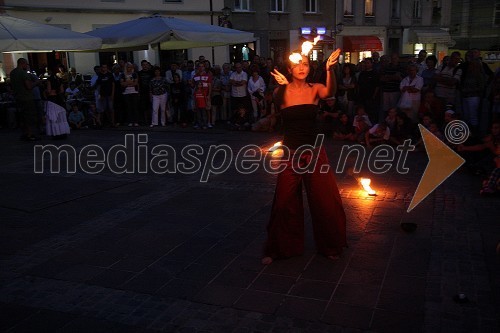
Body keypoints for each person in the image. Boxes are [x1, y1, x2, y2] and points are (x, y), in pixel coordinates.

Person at [261, 48, 347, 265]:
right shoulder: (282, 91)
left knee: (325, 202)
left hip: (314, 152)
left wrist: (329, 70)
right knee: (283, 203)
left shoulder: (316, 88)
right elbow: (277, 101)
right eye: (297, 64)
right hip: (290, 154)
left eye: (306, 64)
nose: (302, 67)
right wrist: (280, 86)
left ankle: (330, 246)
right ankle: (280, 247)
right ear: (290, 68)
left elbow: (330, 92)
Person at [10, 58, 39, 141]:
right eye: (26, 64)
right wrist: (36, 83)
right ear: (22, 63)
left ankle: (24, 133)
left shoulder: (13, 73)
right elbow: (29, 86)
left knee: (22, 116)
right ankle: (30, 134)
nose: (26, 66)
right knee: (29, 117)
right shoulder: (23, 73)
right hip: (27, 98)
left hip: (18, 97)